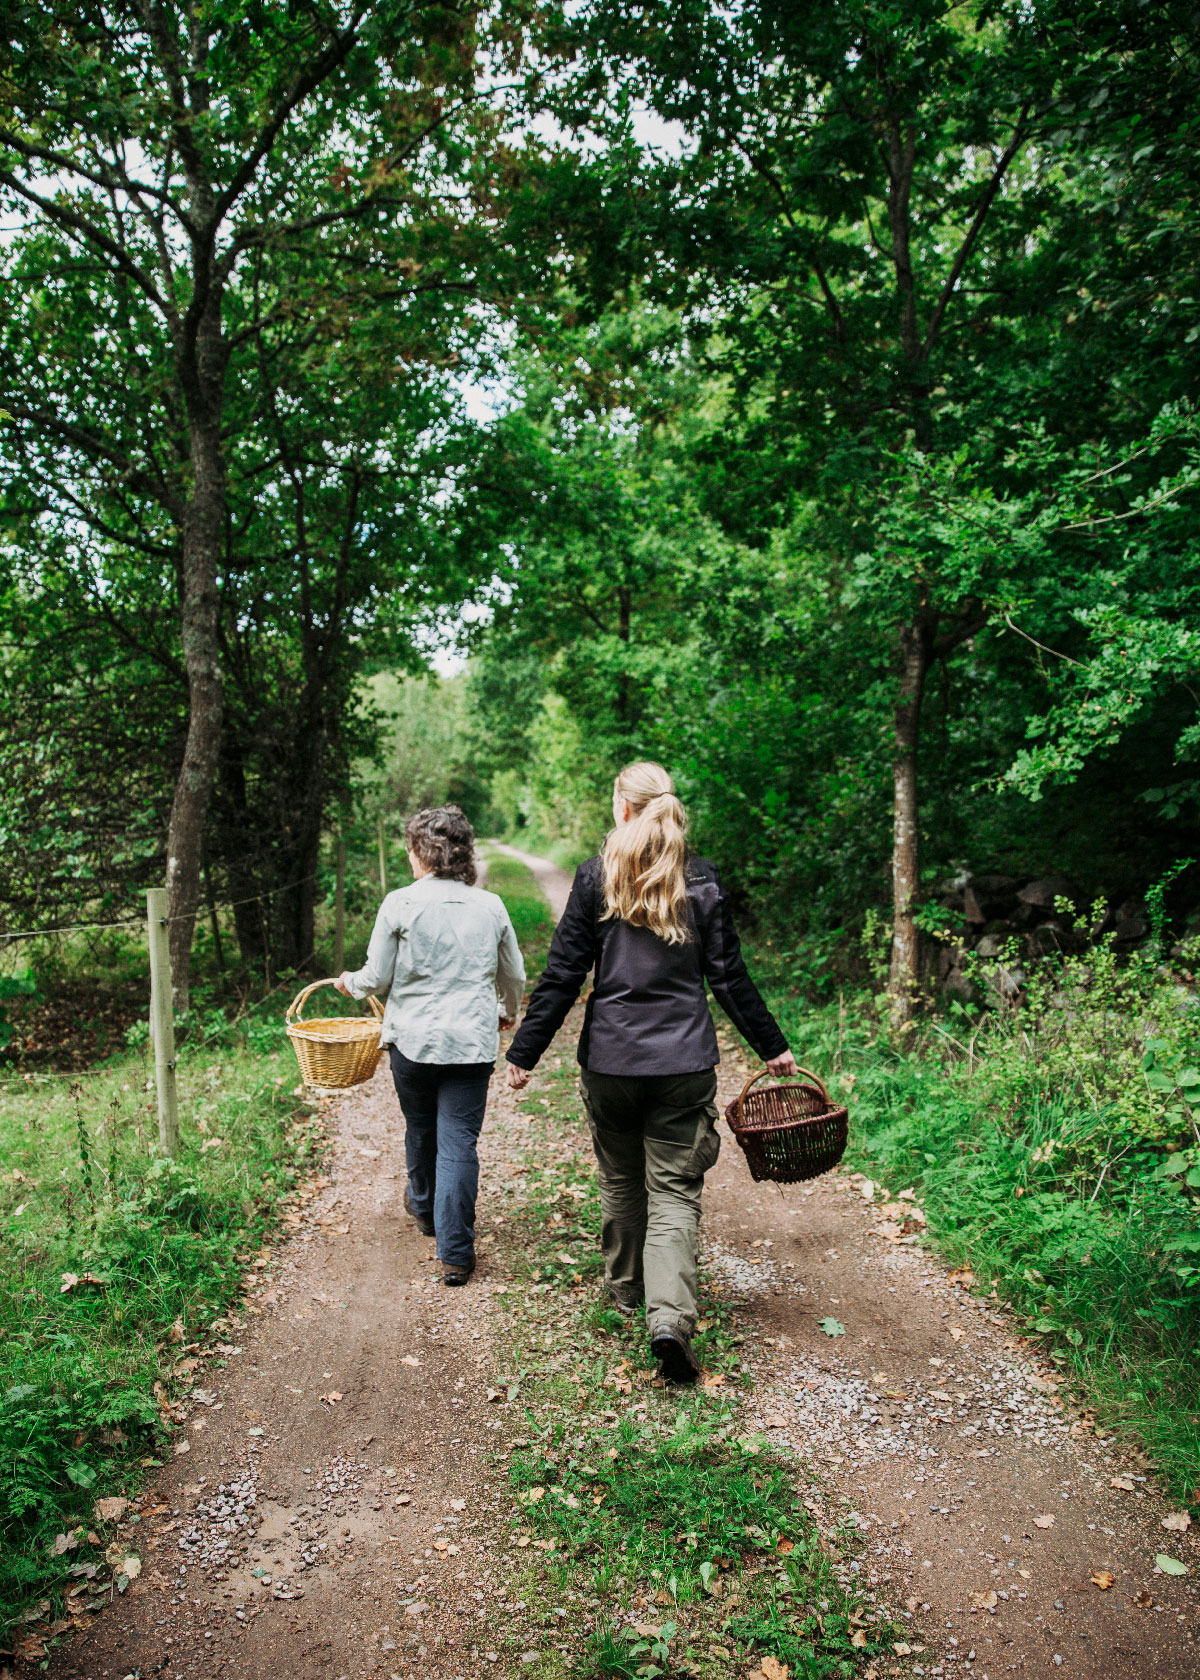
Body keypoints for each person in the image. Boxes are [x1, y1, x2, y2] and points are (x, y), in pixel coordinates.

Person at [505, 761, 798, 1381]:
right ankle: (669, 1318)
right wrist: (772, 1046)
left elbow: (564, 975)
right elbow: (729, 978)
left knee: (620, 1176)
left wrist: (524, 1053)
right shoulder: (703, 880)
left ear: (623, 807)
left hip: (610, 1061)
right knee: (673, 1190)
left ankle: (626, 1288)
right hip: (683, 1062)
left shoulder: (597, 876)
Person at [336, 804, 525, 1286]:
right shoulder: (491, 905)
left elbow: (375, 978)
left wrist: (349, 983)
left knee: (421, 1127)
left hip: (414, 1043)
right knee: (459, 1140)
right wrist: (507, 1010)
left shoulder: (399, 903)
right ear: (462, 853)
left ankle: (423, 1207)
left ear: (420, 851)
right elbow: (514, 975)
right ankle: (456, 1253)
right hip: (471, 1043)